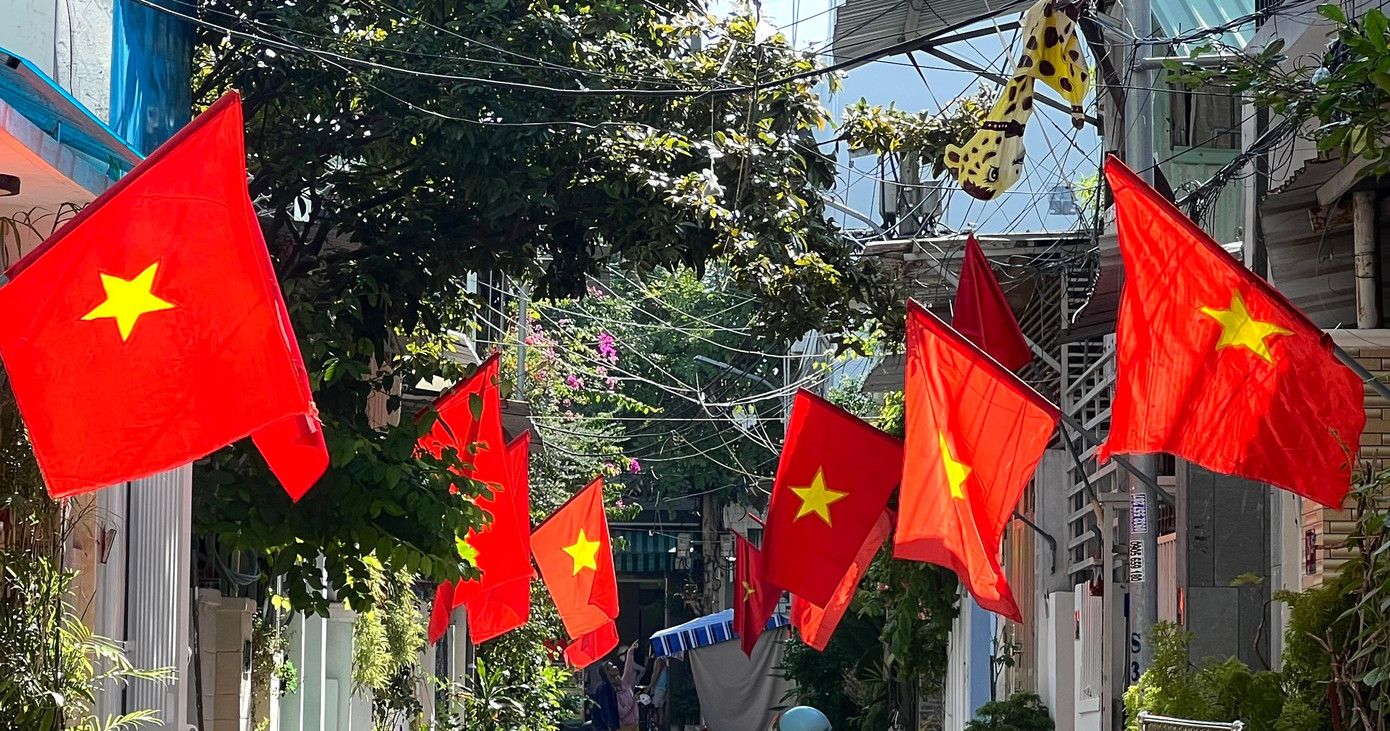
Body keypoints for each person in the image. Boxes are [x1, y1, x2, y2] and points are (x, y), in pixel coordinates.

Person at [609, 641, 645, 731]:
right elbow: (621, 713)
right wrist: (633, 700)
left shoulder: (625, 683)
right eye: (615, 677)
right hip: (624, 726)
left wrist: (630, 651)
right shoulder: (614, 694)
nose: (618, 677)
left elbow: (628, 668)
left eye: (618, 676)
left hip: (634, 724)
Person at [590, 660, 622, 731]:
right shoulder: (604, 687)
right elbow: (604, 708)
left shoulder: (610, 686)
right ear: (607, 672)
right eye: (612, 666)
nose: (615, 667)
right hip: (603, 727)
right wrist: (609, 726)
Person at [648, 655, 669, 728]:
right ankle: (659, 726)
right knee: (659, 708)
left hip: (658, 687)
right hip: (661, 687)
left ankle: (657, 726)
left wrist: (650, 686)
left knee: (656, 708)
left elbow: (656, 674)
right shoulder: (663, 660)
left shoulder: (660, 660)